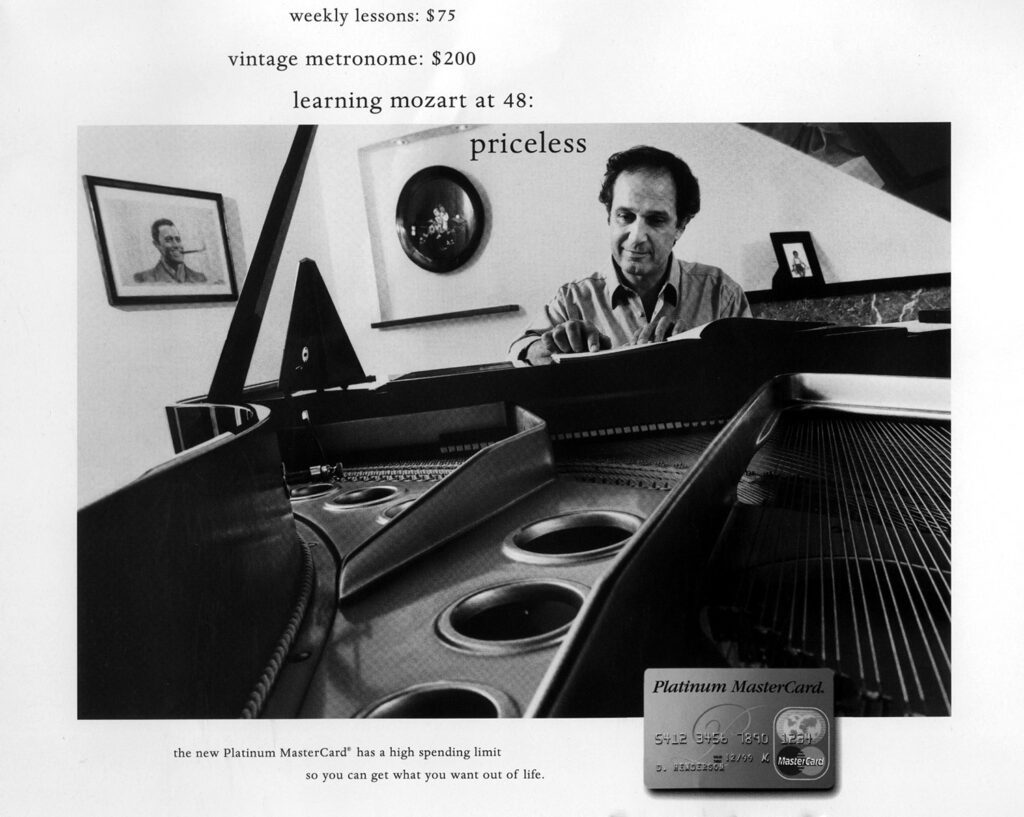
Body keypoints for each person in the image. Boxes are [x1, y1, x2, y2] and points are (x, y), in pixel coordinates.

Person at [508, 146, 751, 366]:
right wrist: (549, 347)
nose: (636, 237)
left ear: (680, 226)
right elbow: (519, 348)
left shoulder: (721, 293)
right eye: (625, 216)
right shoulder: (573, 299)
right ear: (609, 217)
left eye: (656, 220)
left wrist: (703, 353)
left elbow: (754, 374)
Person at [133, 219, 207, 284]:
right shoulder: (142, 279)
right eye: (168, 240)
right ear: (157, 245)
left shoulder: (200, 279)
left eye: (178, 239)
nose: (176, 245)